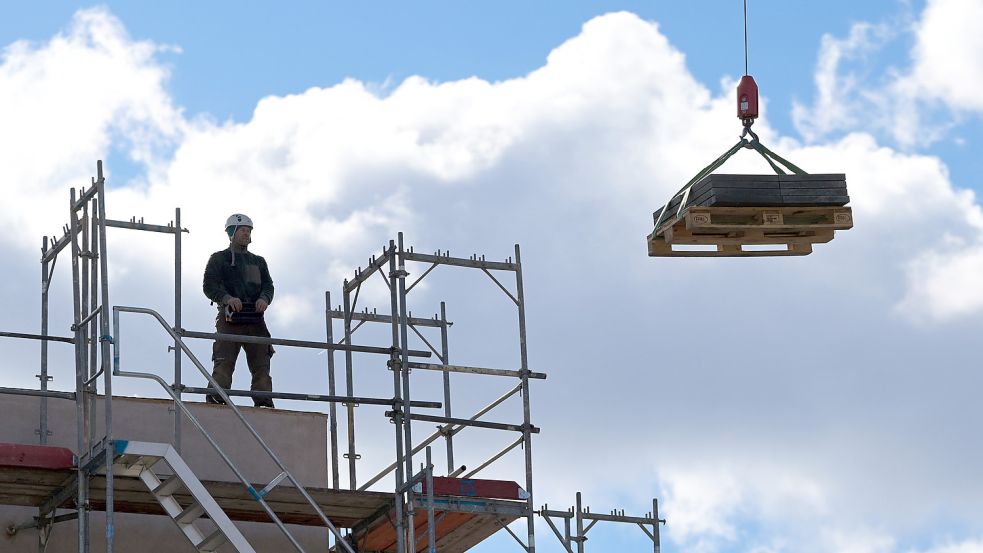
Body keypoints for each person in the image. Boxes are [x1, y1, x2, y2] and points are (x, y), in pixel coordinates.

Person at [202, 213, 276, 408]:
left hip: (255, 319)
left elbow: (268, 285)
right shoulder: (219, 259)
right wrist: (227, 298)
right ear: (232, 232)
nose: (247, 233)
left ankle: (263, 401)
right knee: (224, 361)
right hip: (230, 319)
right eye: (243, 230)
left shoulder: (258, 261)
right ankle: (218, 397)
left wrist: (264, 298)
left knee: (261, 362)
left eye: (249, 230)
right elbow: (209, 286)